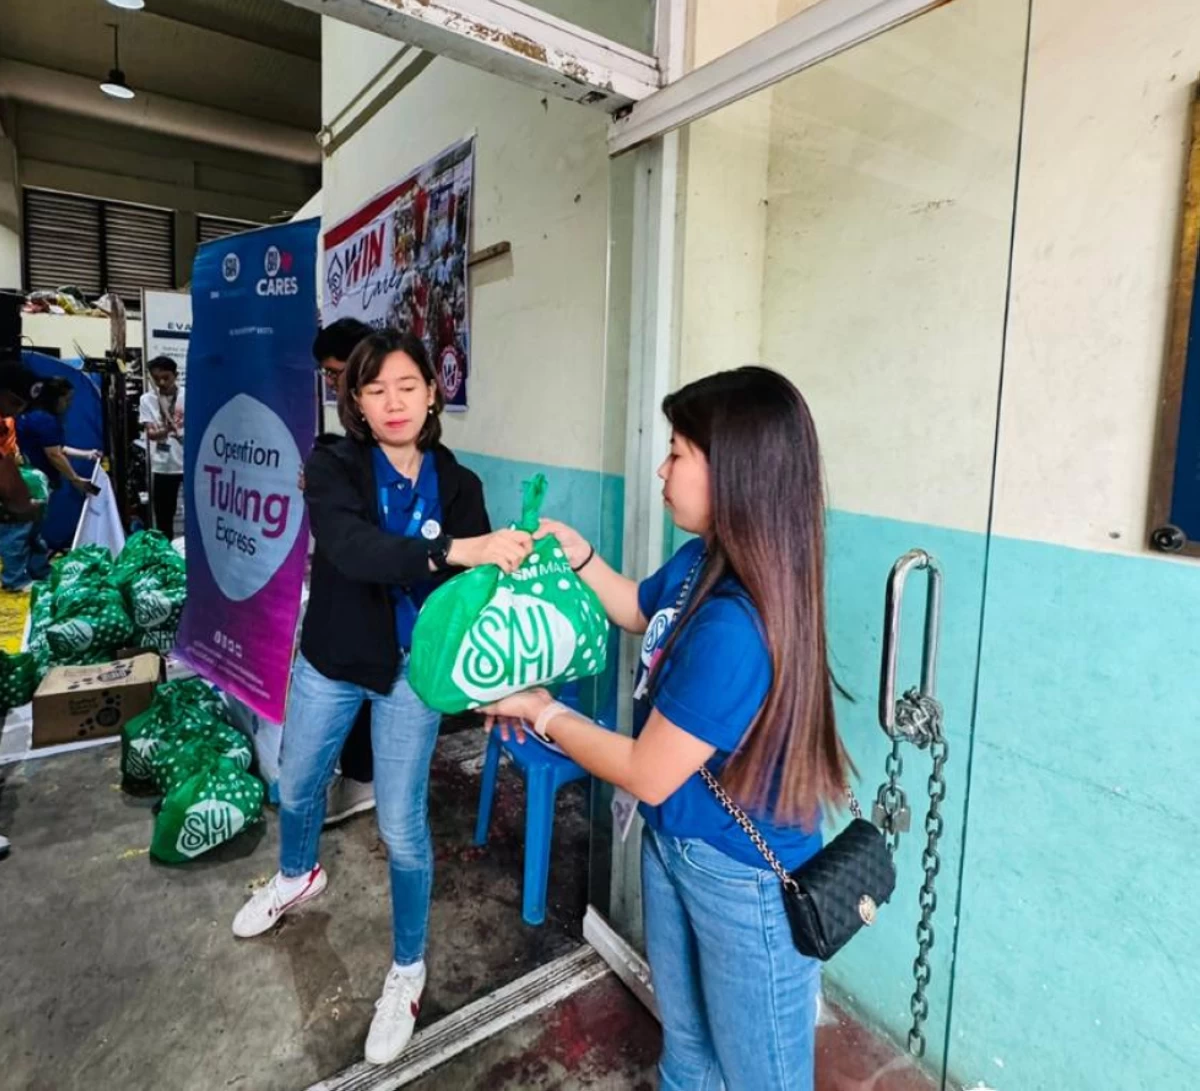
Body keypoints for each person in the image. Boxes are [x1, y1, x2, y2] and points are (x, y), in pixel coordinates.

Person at [485, 367, 853, 1091]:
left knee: (763, 1079)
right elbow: (636, 610)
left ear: (735, 474)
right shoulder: (703, 562)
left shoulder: (738, 626)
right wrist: (577, 553)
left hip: (741, 881)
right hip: (673, 842)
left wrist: (541, 709)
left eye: (679, 450)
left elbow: (648, 769)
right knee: (686, 1054)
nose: (662, 465)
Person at [232, 328, 534, 1066]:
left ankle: (406, 969)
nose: (393, 402)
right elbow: (353, 550)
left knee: (402, 826)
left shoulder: (459, 485)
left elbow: (475, 593)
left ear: (434, 392)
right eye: (375, 390)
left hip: (414, 674)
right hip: (334, 659)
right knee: (296, 781)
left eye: (407, 385)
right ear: (357, 405)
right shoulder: (333, 466)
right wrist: (454, 550)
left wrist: (514, 618)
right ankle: (298, 872)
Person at [311, 317, 377, 824]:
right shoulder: (338, 451)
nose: (333, 386)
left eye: (339, 374)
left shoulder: (433, 466)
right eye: (328, 376)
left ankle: (364, 777)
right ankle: (358, 772)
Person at [0, 360, 49, 592]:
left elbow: (7, 461)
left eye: (23, 406)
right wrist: (22, 504)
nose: (17, 411)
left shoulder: (6, 421)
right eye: (14, 402)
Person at [16, 377, 103, 496]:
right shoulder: (44, 420)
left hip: (28, 478)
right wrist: (75, 479)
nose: (69, 404)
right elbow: (54, 454)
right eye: (67, 400)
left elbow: (56, 448)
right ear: (55, 399)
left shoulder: (34, 414)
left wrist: (87, 454)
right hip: (35, 482)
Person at [138, 356, 185, 535]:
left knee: (198, 512)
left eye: (166, 377)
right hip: (164, 466)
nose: (161, 382)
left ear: (176, 375)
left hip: (190, 464)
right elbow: (151, 434)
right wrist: (167, 427)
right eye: (156, 378)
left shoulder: (188, 395)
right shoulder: (147, 400)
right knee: (164, 516)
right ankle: (167, 555)